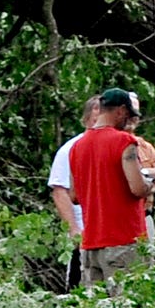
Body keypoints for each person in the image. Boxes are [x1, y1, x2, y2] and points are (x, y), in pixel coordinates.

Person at [67, 88, 155, 286]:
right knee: (128, 305)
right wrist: (150, 184)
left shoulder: (77, 146)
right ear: (120, 111)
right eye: (127, 116)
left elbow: (74, 196)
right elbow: (137, 189)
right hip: (124, 240)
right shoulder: (124, 141)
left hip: (91, 244)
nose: (127, 122)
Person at [48, 95, 108, 245]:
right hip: (84, 228)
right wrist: (74, 229)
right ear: (88, 116)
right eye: (97, 110)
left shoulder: (116, 146)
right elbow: (59, 190)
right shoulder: (71, 149)